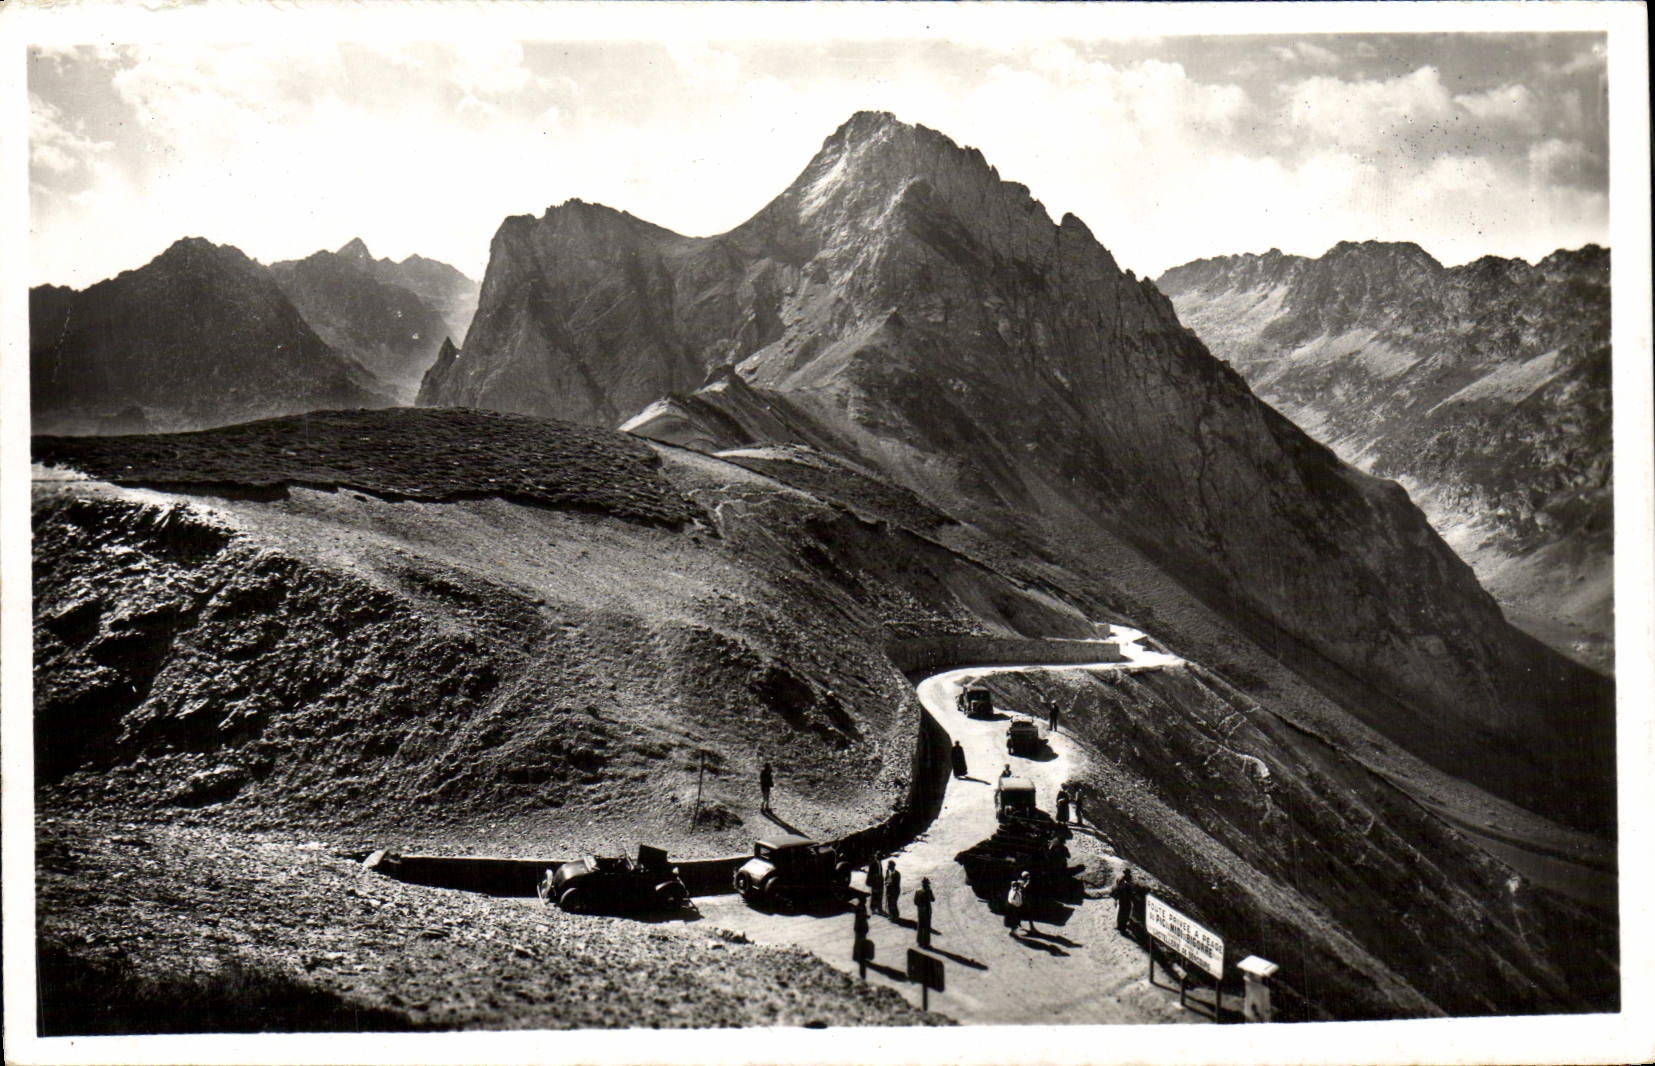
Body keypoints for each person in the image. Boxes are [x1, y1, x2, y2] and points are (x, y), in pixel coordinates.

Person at [1006, 871, 1034, 935]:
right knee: (1017, 915)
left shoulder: (1019, 882)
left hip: (1017, 902)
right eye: (1027, 876)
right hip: (1019, 902)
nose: (1028, 878)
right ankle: (1014, 930)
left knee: (1018, 915)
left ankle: (1016, 927)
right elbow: (1023, 889)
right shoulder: (1022, 883)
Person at [852, 896, 871, 980]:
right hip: (861, 928)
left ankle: (855, 955)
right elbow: (861, 918)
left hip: (858, 927)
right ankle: (858, 956)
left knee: (857, 941)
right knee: (860, 942)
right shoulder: (862, 907)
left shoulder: (859, 907)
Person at [913, 877, 935, 947]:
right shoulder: (929, 891)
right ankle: (926, 943)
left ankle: (919, 942)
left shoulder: (918, 891)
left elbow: (915, 902)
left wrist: (920, 906)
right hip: (927, 910)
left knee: (920, 926)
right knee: (927, 926)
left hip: (920, 911)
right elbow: (933, 899)